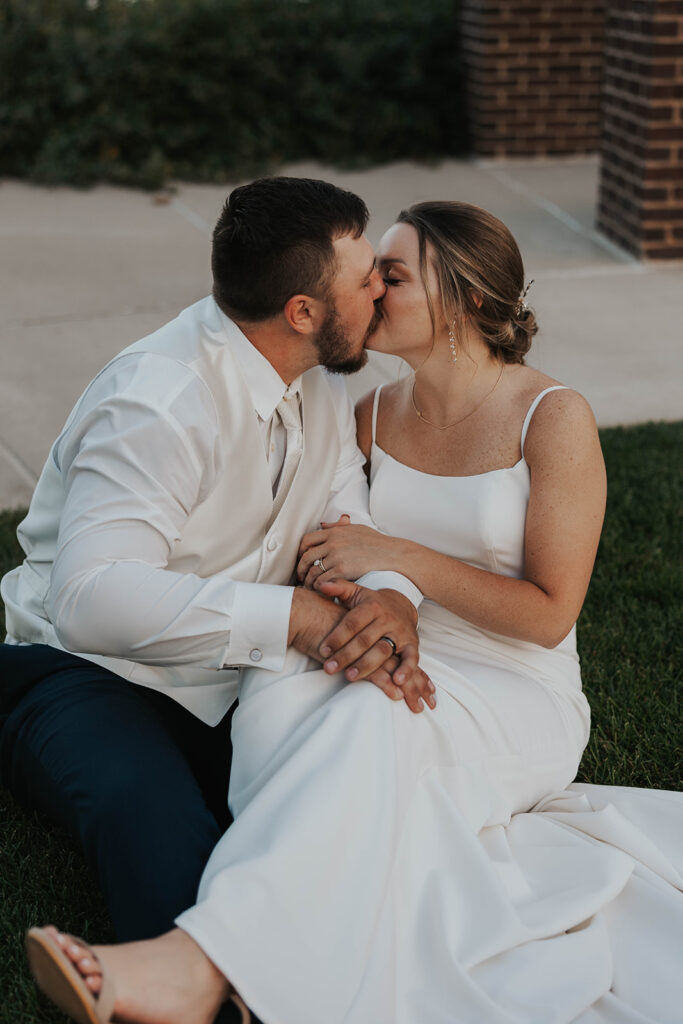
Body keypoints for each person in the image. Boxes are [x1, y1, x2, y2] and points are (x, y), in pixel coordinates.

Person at [26, 202, 683, 1024]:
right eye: (369, 275)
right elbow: (334, 551)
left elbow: (545, 614)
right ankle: (290, 943)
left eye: (392, 274)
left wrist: (399, 573)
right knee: (283, 699)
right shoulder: (359, 409)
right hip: (332, 650)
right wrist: (371, 604)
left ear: (467, 302)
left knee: (376, 720)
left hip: (510, 677)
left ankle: (201, 962)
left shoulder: (550, 419)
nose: (374, 288)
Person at [1, 177, 435, 955]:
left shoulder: (323, 377)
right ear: (301, 312)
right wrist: (298, 617)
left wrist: (390, 599)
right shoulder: (160, 401)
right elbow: (89, 599)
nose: (382, 287)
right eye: (364, 276)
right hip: (84, 671)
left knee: (359, 788)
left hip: (237, 676)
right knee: (157, 821)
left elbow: (348, 518)